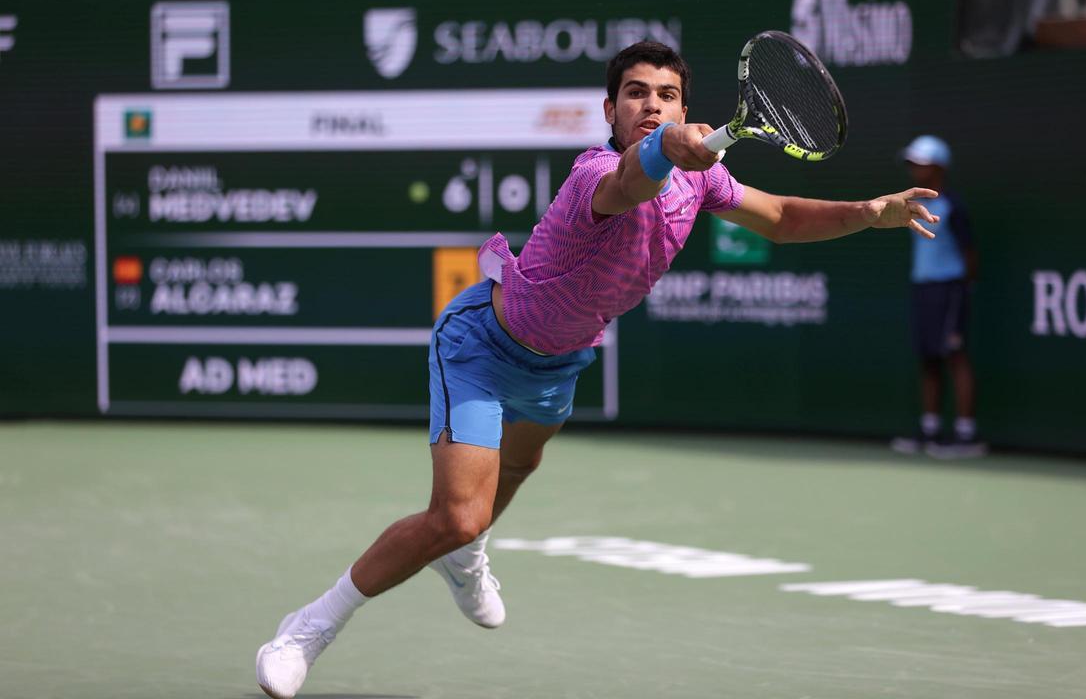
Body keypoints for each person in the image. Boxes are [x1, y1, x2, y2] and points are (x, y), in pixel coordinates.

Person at [254, 41, 941, 699]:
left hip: (560, 361)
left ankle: (463, 562)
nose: (651, 104)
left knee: (519, 467)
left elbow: (783, 217)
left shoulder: (705, 177)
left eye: (667, 95)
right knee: (458, 516)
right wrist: (670, 144)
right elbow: (632, 178)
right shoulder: (596, 173)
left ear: (684, 106)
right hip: (483, 348)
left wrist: (868, 213)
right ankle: (308, 627)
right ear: (610, 110)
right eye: (635, 93)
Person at [889, 135, 984, 459]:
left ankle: (967, 435)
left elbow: (970, 253)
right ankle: (929, 429)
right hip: (923, 288)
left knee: (955, 356)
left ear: (939, 167)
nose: (914, 170)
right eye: (911, 164)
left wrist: (963, 288)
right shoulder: (912, 206)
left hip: (950, 289)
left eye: (921, 164)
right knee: (928, 357)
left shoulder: (953, 207)